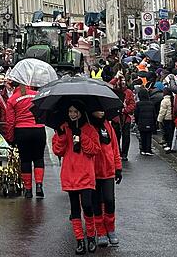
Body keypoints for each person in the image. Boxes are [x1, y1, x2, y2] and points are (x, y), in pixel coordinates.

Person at [52, 104, 98, 255]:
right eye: (70, 111)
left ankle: (91, 236)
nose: (72, 114)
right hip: (70, 174)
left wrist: (81, 135)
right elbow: (58, 150)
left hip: (85, 173)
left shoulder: (90, 129)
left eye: (75, 111)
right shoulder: (64, 127)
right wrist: (61, 134)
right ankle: (79, 240)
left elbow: (94, 150)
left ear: (81, 112)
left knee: (87, 205)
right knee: (75, 208)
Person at [5, 78, 47, 198]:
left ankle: (28, 189)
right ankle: (39, 185)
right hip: (38, 129)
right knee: (39, 158)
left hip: (22, 131)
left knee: (25, 160)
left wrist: (10, 137)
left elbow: (10, 121)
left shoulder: (12, 99)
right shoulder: (37, 95)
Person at [90, 108, 122, 248]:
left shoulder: (108, 125)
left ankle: (111, 229)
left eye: (103, 110)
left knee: (109, 200)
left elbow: (114, 147)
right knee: (96, 201)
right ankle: (101, 231)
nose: (101, 112)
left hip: (108, 170)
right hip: (93, 171)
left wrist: (118, 166)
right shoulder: (88, 127)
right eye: (98, 110)